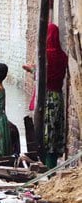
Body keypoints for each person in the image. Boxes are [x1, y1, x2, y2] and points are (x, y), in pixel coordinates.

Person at [23, 23, 69, 168]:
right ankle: (52, 167)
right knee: (54, 134)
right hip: (58, 98)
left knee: (44, 134)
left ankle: (45, 167)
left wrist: (31, 69)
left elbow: (41, 75)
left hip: (45, 99)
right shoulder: (63, 56)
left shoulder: (44, 55)